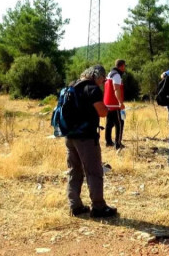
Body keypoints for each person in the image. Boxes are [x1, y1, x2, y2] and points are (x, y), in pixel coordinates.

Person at [65, 65, 117, 218]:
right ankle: (99, 207)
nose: (101, 82)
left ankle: (75, 206)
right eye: (101, 78)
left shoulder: (72, 85)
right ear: (96, 76)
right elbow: (102, 112)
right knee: (94, 171)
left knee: (74, 171)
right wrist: (107, 108)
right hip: (86, 138)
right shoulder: (92, 89)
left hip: (70, 136)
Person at [104, 59, 127, 149]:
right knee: (120, 123)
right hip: (114, 104)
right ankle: (118, 144)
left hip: (108, 103)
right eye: (124, 66)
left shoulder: (110, 73)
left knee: (109, 123)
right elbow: (116, 89)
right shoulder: (117, 75)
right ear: (121, 66)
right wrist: (120, 102)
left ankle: (108, 141)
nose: (124, 68)